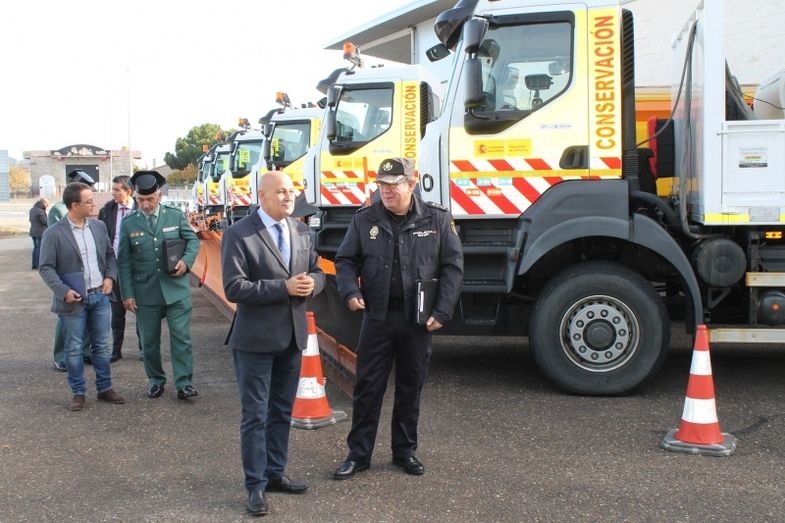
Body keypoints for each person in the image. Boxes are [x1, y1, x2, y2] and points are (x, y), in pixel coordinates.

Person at [332, 157, 463, 480]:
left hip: (416, 321)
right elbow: (346, 260)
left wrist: (442, 310)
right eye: (382, 185)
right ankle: (358, 454)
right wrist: (349, 292)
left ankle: (405, 452)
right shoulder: (365, 220)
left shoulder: (436, 219)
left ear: (412, 182)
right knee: (367, 388)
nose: (387, 191)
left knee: (410, 386)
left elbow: (452, 267)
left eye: (394, 184)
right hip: (377, 317)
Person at [221, 171, 325, 517]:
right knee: (255, 415)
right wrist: (283, 288)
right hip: (254, 341)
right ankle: (255, 486)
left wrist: (313, 282)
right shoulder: (239, 234)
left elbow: (317, 271)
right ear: (262, 196)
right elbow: (234, 287)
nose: (288, 196)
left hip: (292, 338)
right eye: (280, 191)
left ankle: (275, 473)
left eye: (291, 191)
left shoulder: (302, 231)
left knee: (281, 411)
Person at [38, 182, 126, 411]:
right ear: (74, 205)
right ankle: (78, 392)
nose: (93, 204)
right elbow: (46, 267)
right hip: (73, 301)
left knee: (101, 346)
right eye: (88, 201)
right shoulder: (54, 233)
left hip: (100, 297)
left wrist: (109, 278)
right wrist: (63, 291)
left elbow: (109, 256)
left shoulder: (97, 227)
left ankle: (104, 388)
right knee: (74, 348)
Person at [117, 171, 201, 400]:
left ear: (159, 196)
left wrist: (186, 262)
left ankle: (184, 383)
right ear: (135, 197)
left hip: (175, 290)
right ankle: (156, 380)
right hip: (146, 292)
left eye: (150, 200)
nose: (145, 205)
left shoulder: (174, 216)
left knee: (181, 338)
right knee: (149, 342)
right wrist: (127, 294)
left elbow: (192, 241)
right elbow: (123, 262)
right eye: (140, 200)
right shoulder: (128, 223)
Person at [49, 170, 96, 372]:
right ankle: (61, 355)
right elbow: (53, 240)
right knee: (66, 316)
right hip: (66, 272)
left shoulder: (88, 211)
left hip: (86, 273)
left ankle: (84, 351)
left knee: (86, 314)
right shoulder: (57, 210)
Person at [98, 175, 142, 363]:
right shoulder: (108, 210)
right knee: (117, 313)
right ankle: (116, 350)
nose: (113, 193)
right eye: (113, 189)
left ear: (128, 191)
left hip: (137, 269)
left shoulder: (141, 208)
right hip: (115, 268)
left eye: (117, 189)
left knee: (141, 311)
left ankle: (143, 348)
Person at [29, 197, 49, 269]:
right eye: (47, 204)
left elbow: (30, 220)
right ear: (43, 203)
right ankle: (38, 264)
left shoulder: (32, 210)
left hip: (33, 231)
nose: (47, 206)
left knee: (35, 248)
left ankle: (34, 264)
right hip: (39, 232)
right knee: (39, 249)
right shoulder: (40, 211)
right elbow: (45, 222)